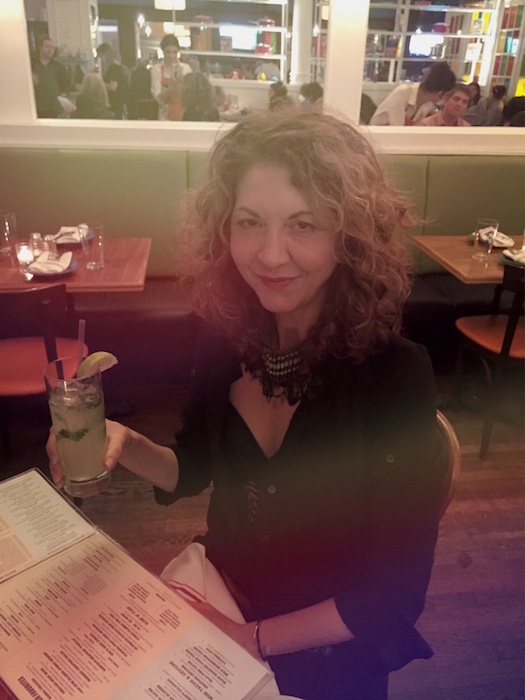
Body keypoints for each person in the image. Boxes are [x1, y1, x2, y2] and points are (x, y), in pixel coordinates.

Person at [47, 109, 447, 700]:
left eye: (304, 225)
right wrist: (124, 442)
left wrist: (247, 639)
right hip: (221, 597)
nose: (270, 254)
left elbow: (392, 598)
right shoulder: (226, 337)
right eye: (250, 223)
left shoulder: (395, 376)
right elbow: (192, 468)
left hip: (327, 649)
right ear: (224, 230)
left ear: (349, 237)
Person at [370, 62, 456, 125]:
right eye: (446, 95)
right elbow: (397, 129)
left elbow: (413, 131)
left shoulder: (427, 104)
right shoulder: (403, 92)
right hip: (377, 136)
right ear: (440, 94)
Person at [151, 35, 192, 121]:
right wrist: (172, 86)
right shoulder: (156, 69)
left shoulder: (186, 68)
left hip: (184, 115)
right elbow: (158, 98)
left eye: (175, 52)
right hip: (164, 117)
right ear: (163, 51)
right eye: (168, 52)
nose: (171, 56)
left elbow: (191, 95)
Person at [31, 36, 71, 118]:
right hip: (37, 109)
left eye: (52, 47)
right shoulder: (32, 66)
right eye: (47, 46)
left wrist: (63, 95)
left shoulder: (59, 67)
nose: (50, 50)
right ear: (40, 47)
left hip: (54, 109)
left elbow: (67, 85)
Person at [97, 43, 128, 119]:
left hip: (115, 103)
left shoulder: (114, 68)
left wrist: (100, 82)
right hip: (118, 102)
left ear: (105, 55)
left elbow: (113, 87)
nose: (101, 60)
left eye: (101, 57)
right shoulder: (117, 67)